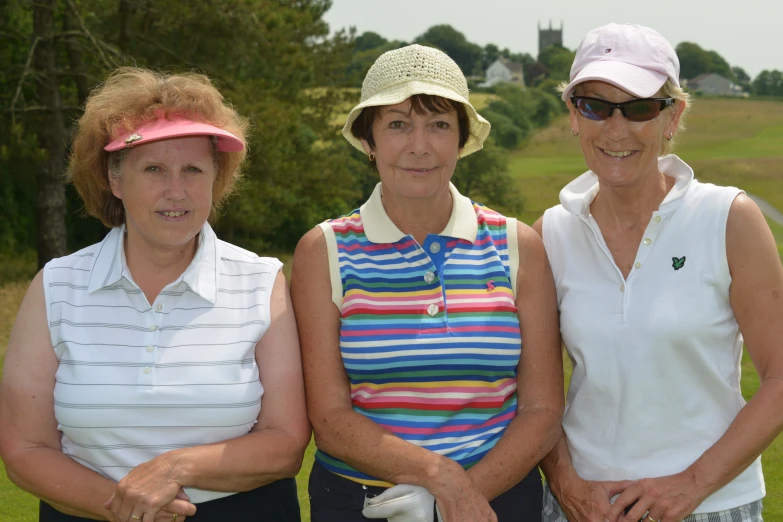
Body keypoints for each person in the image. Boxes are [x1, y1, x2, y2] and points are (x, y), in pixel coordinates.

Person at [0, 68, 310, 522]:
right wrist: (126, 506)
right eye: (153, 169)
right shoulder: (56, 286)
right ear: (115, 179)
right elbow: (25, 448)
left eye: (193, 170)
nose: (176, 191)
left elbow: (285, 443)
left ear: (216, 178)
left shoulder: (261, 282)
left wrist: (173, 468)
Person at [290, 44, 564, 522]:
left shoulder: (517, 245)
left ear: (460, 139)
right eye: (397, 124)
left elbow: (541, 411)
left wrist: (460, 494)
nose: (419, 145)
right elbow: (330, 420)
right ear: (369, 139)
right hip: (363, 503)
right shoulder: (324, 251)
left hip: (495, 499)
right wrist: (439, 478)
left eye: (439, 125)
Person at [536, 23, 783, 522]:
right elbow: (532, 392)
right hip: (584, 507)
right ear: (573, 115)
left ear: (673, 117)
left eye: (641, 108)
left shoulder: (729, 218)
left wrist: (690, 486)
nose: (616, 128)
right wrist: (566, 486)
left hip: (713, 505)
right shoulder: (549, 233)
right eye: (595, 106)